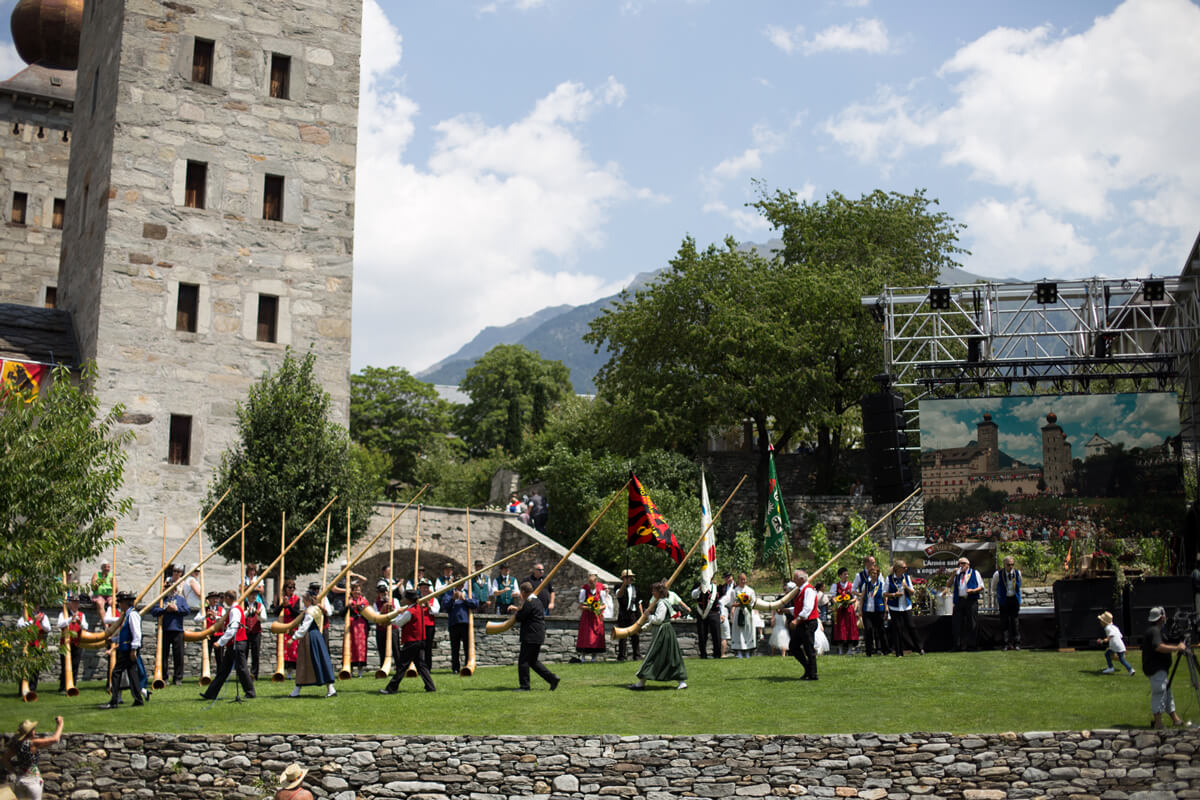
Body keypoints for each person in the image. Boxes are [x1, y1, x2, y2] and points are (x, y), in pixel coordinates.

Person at [630, 582, 687, 690]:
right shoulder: (660, 602)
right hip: (663, 632)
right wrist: (643, 628)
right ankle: (681, 682)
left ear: (659, 592)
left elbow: (658, 620)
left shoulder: (661, 603)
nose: (652, 592)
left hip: (663, 633)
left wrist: (648, 616)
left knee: (653, 656)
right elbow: (655, 622)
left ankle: (641, 683)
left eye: (654, 591)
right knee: (668, 657)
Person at [201, 590, 257, 700]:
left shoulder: (234, 611)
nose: (223, 600)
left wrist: (220, 642)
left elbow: (233, 628)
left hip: (237, 643)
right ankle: (210, 693)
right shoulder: (233, 610)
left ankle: (250, 692)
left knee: (241, 669)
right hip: (233, 644)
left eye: (224, 598)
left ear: (228, 598)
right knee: (223, 670)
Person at [378, 589, 437, 693]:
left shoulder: (410, 611)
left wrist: (390, 619)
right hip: (420, 640)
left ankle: (391, 688)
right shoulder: (419, 608)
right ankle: (431, 687)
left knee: (401, 665)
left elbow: (399, 622)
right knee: (421, 666)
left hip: (412, 641)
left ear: (409, 600)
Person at [1142, 606, 1187, 728]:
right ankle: (1158, 723)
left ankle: (1175, 719)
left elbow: (1167, 641)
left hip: (1159, 669)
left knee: (1167, 692)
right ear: (1161, 618)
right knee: (1160, 692)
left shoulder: (1156, 631)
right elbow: (1159, 647)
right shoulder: (1154, 631)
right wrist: (1177, 648)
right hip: (1156, 668)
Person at [510, 581, 559, 691]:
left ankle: (525, 686)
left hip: (530, 635)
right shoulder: (537, 600)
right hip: (537, 635)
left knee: (523, 661)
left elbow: (521, 617)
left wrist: (516, 612)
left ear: (523, 592)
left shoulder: (529, 602)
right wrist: (518, 609)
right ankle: (552, 678)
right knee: (533, 661)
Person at [288, 586, 336, 698]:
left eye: (304, 599)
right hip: (315, 637)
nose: (303, 601)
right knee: (319, 661)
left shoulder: (310, 611)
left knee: (305, 662)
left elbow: (305, 627)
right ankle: (330, 688)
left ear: (308, 600)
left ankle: (297, 690)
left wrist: (293, 638)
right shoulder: (316, 609)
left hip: (310, 638)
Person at [1, 717, 63, 800]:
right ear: (31, 732)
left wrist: (12, 771)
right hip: (33, 781)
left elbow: (4, 759)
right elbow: (55, 739)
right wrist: (60, 724)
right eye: (33, 729)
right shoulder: (33, 743)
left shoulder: (16, 744)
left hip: (20, 780)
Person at [103, 592, 144, 708]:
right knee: (132, 674)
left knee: (116, 673)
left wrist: (134, 649)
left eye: (120, 602)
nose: (119, 605)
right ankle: (138, 699)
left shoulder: (132, 615)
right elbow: (125, 634)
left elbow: (136, 633)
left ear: (125, 603)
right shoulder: (127, 615)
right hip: (126, 648)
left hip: (128, 649)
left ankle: (114, 701)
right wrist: (114, 639)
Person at [148, 576, 190, 685]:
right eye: (168, 587)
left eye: (172, 587)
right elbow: (154, 611)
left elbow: (187, 610)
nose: (170, 589)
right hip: (164, 630)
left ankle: (178, 678)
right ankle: (164, 677)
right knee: (164, 655)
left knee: (178, 655)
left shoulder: (180, 599)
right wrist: (165, 610)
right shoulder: (162, 599)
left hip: (177, 630)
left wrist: (177, 609)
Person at [884, 560, 923, 657]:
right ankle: (899, 652)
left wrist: (906, 587)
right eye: (904, 567)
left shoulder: (906, 578)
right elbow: (884, 593)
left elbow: (912, 592)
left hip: (906, 606)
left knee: (911, 626)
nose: (906, 569)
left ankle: (919, 648)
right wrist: (894, 594)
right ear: (898, 569)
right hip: (894, 607)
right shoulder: (889, 579)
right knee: (897, 629)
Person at [788, 570, 819, 681]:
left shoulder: (808, 590)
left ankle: (813, 674)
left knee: (809, 648)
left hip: (808, 623)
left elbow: (807, 609)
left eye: (795, 578)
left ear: (801, 579)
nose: (793, 580)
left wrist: (796, 620)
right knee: (793, 646)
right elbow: (799, 608)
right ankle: (808, 668)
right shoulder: (801, 590)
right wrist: (786, 610)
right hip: (803, 623)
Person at [442, 586, 479, 673]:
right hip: (454, 623)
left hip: (465, 623)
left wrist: (465, 599)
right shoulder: (449, 593)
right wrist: (452, 599)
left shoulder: (468, 592)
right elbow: (445, 606)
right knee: (455, 647)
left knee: (467, 646)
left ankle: (468, 665)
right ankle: (455, 668)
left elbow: (476, 604)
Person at [951, 557, 984, 651]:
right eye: (959, 564)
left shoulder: (974, 572)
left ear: (968, 564)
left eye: (963, 563)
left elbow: (981, 586)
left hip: (971, 600)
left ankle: (972, 646)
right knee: (957, 623)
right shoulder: (957, 574)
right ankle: (957, 645)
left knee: (972, 623)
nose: (961, 566)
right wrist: (953, 574)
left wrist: (973, 590)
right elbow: (949, 584)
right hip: (960, 600)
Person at [55, 595, 87, 693]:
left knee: (75, 665)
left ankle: (72, 685)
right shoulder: (64, 614)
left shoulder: (82, 614)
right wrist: (70, 619)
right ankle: (63, 687)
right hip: (65, 643)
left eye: (77, 603)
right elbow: (59, 624)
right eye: (73, 602)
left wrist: (79, 622)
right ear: (69, 604)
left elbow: (85, 627)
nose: (75, 604)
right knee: (65, 665)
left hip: (77, 643)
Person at [990, 555, 1022, 650]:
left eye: (1012, 564)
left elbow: (1020, 584)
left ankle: (1017, 643)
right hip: (1004, 599)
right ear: (1004, 564)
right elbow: (993, 587)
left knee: (1015, 621)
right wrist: (999, 595)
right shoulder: (998, 574)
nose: (1011, 566)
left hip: (1014, 599)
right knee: (1004, 622)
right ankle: (1005, 643)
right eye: (1008, 565)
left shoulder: (1017, 573)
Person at [16, 606, 50, 693]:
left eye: (37, 606)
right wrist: (34, 620)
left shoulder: (43, 616)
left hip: (38, 645)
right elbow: (20, 625)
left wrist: (41, 621)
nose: (36, 607)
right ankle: (22, 690)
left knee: (35, 669)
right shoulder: (25, 616)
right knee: (24, 668)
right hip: (27, 645)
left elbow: (48, 628)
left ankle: (32, 689)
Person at [723, 573, 757, 657]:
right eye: (741, 579)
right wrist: (738, 605)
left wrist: (746, 604)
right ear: (738, 580)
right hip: (738, 613)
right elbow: (732, 603)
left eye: (744, 579)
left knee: (748, 631)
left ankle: (748, 651)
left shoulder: (750, 590)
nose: (743, 581)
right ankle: (739, 652)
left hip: (748, 613)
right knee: (739, 632)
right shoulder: (735, 591)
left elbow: (753, 602)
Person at [857, 564, 888, 657]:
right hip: (867, 611)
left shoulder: (882, 585)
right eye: (872, 573)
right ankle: (869, 651)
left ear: (878, 574)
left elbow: (885, 599)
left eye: (875, 573)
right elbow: (862, 598)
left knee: (880, 631)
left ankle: (884, 650)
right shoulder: (865, 585)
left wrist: (886, 610)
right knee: (868, 630)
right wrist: (860, 610)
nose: (873, 575)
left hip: (879, 610)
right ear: (869, 574)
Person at [576, 574, 608, 661]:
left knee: (596, 635)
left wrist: (597, 608)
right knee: (585, 636)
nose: (590, 585)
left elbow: (604, 605)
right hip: (587, 616)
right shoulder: (584, 590)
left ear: (596, 582)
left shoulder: (601, 590)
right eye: (589, 583)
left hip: (596, 616)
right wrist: (589, 608)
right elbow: (580, 605)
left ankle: (594, 657)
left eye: (592, 583)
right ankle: (583, 657)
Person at [274, 580, 302, 678]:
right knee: (283, 648)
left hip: (292, 625)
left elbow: (296, 613)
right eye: (289, 587)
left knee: (293, 649)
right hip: (282, 624)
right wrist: (282, 605)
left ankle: (291, 672)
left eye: (293, 588)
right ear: (285, 588)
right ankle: (282, 670)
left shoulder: (296, 599)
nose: (291, 590)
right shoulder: (280, 598)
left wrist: (288, 606)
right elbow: (275, 612)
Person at [690, 576, 721, 660]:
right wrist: (699, 589)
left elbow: (721, 599)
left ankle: (717, 654)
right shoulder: (698, 585)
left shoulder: (715, 587)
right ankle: (703, 654)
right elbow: (693, 596)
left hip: (714, 613)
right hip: (701, 613)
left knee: (716, 635)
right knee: (702, 634)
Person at [1096, 611, 1135, 676]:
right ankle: (1130, 670)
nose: (1100, 622)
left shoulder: (1107, 628)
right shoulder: (1115, 627)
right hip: (1120, 645)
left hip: (1115, 646)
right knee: (1121, 659)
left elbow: (1111, 635)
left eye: (1101, 620)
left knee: (1107, 654)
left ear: (1104, 622)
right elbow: (1120, 635)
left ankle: (1111, 667)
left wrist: (1103, 640)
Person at [372, 580, 400, 671]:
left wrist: (393, 610)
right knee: (382, 649)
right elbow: (376, 616)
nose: (383, 593)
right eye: (381, 592)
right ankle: (383, 668)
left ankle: (399, 667)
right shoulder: (375, 603)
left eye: (384, 591)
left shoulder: (394, 600)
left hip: (393, 628)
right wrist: (383, 609)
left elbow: (399, 614)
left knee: (396, 649)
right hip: (381, 629)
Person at [831, 567, 859, 655]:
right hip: (839, 610)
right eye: (844, 574)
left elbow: (855, 598)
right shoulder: (835, 585)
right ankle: (840, 649)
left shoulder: (851, 585)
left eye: (847, 574)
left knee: (850, 628)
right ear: (840, 575)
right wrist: (838, 602)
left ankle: (850, 649)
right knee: (840, 628)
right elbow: (833, 597)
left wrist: (848, 602)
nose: (846, 576)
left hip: (849, 610)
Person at [244, 589, 267, 680]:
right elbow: (241, 616)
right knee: (243, 653)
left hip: (256, 632)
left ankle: (254, 674)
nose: (254, 596)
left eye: (255, 594)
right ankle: (244, 673)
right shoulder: (243, 605)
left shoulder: (260, 606)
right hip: (245, 632)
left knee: (255, 654)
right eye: (252, 594)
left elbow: (264, 619)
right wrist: (247, 612)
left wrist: (258, 615)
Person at [418, 579, 439, 672]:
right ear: (420, 589)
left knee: (428, 647)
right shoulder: (417, 599)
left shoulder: (433, 599)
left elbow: (436, 611)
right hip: (418, 626)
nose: (425, 589)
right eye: (423, 587)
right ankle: (419, 667)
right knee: (419, 647)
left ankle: (428, 667)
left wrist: (429, 606)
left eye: (426, 587)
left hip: (429, 625)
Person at [769, 582, 793, 657]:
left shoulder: (792, 598)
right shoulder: (780, 597)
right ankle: (774, 653)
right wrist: (773, 617)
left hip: (788, 618)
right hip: (780, 617)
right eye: (785, 589)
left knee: (787, 635)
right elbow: (774, 607)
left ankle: (787, 653)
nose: (786, 591)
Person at [717, 573, 734, 657]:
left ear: (732, 577)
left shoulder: (736, 586)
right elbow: (719, 600)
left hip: (735, 608)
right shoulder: (722, 587)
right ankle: (721, 654)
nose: (728, 579)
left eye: (729, 577)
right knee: (724, 631)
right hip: (724, 609)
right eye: (726, 578)